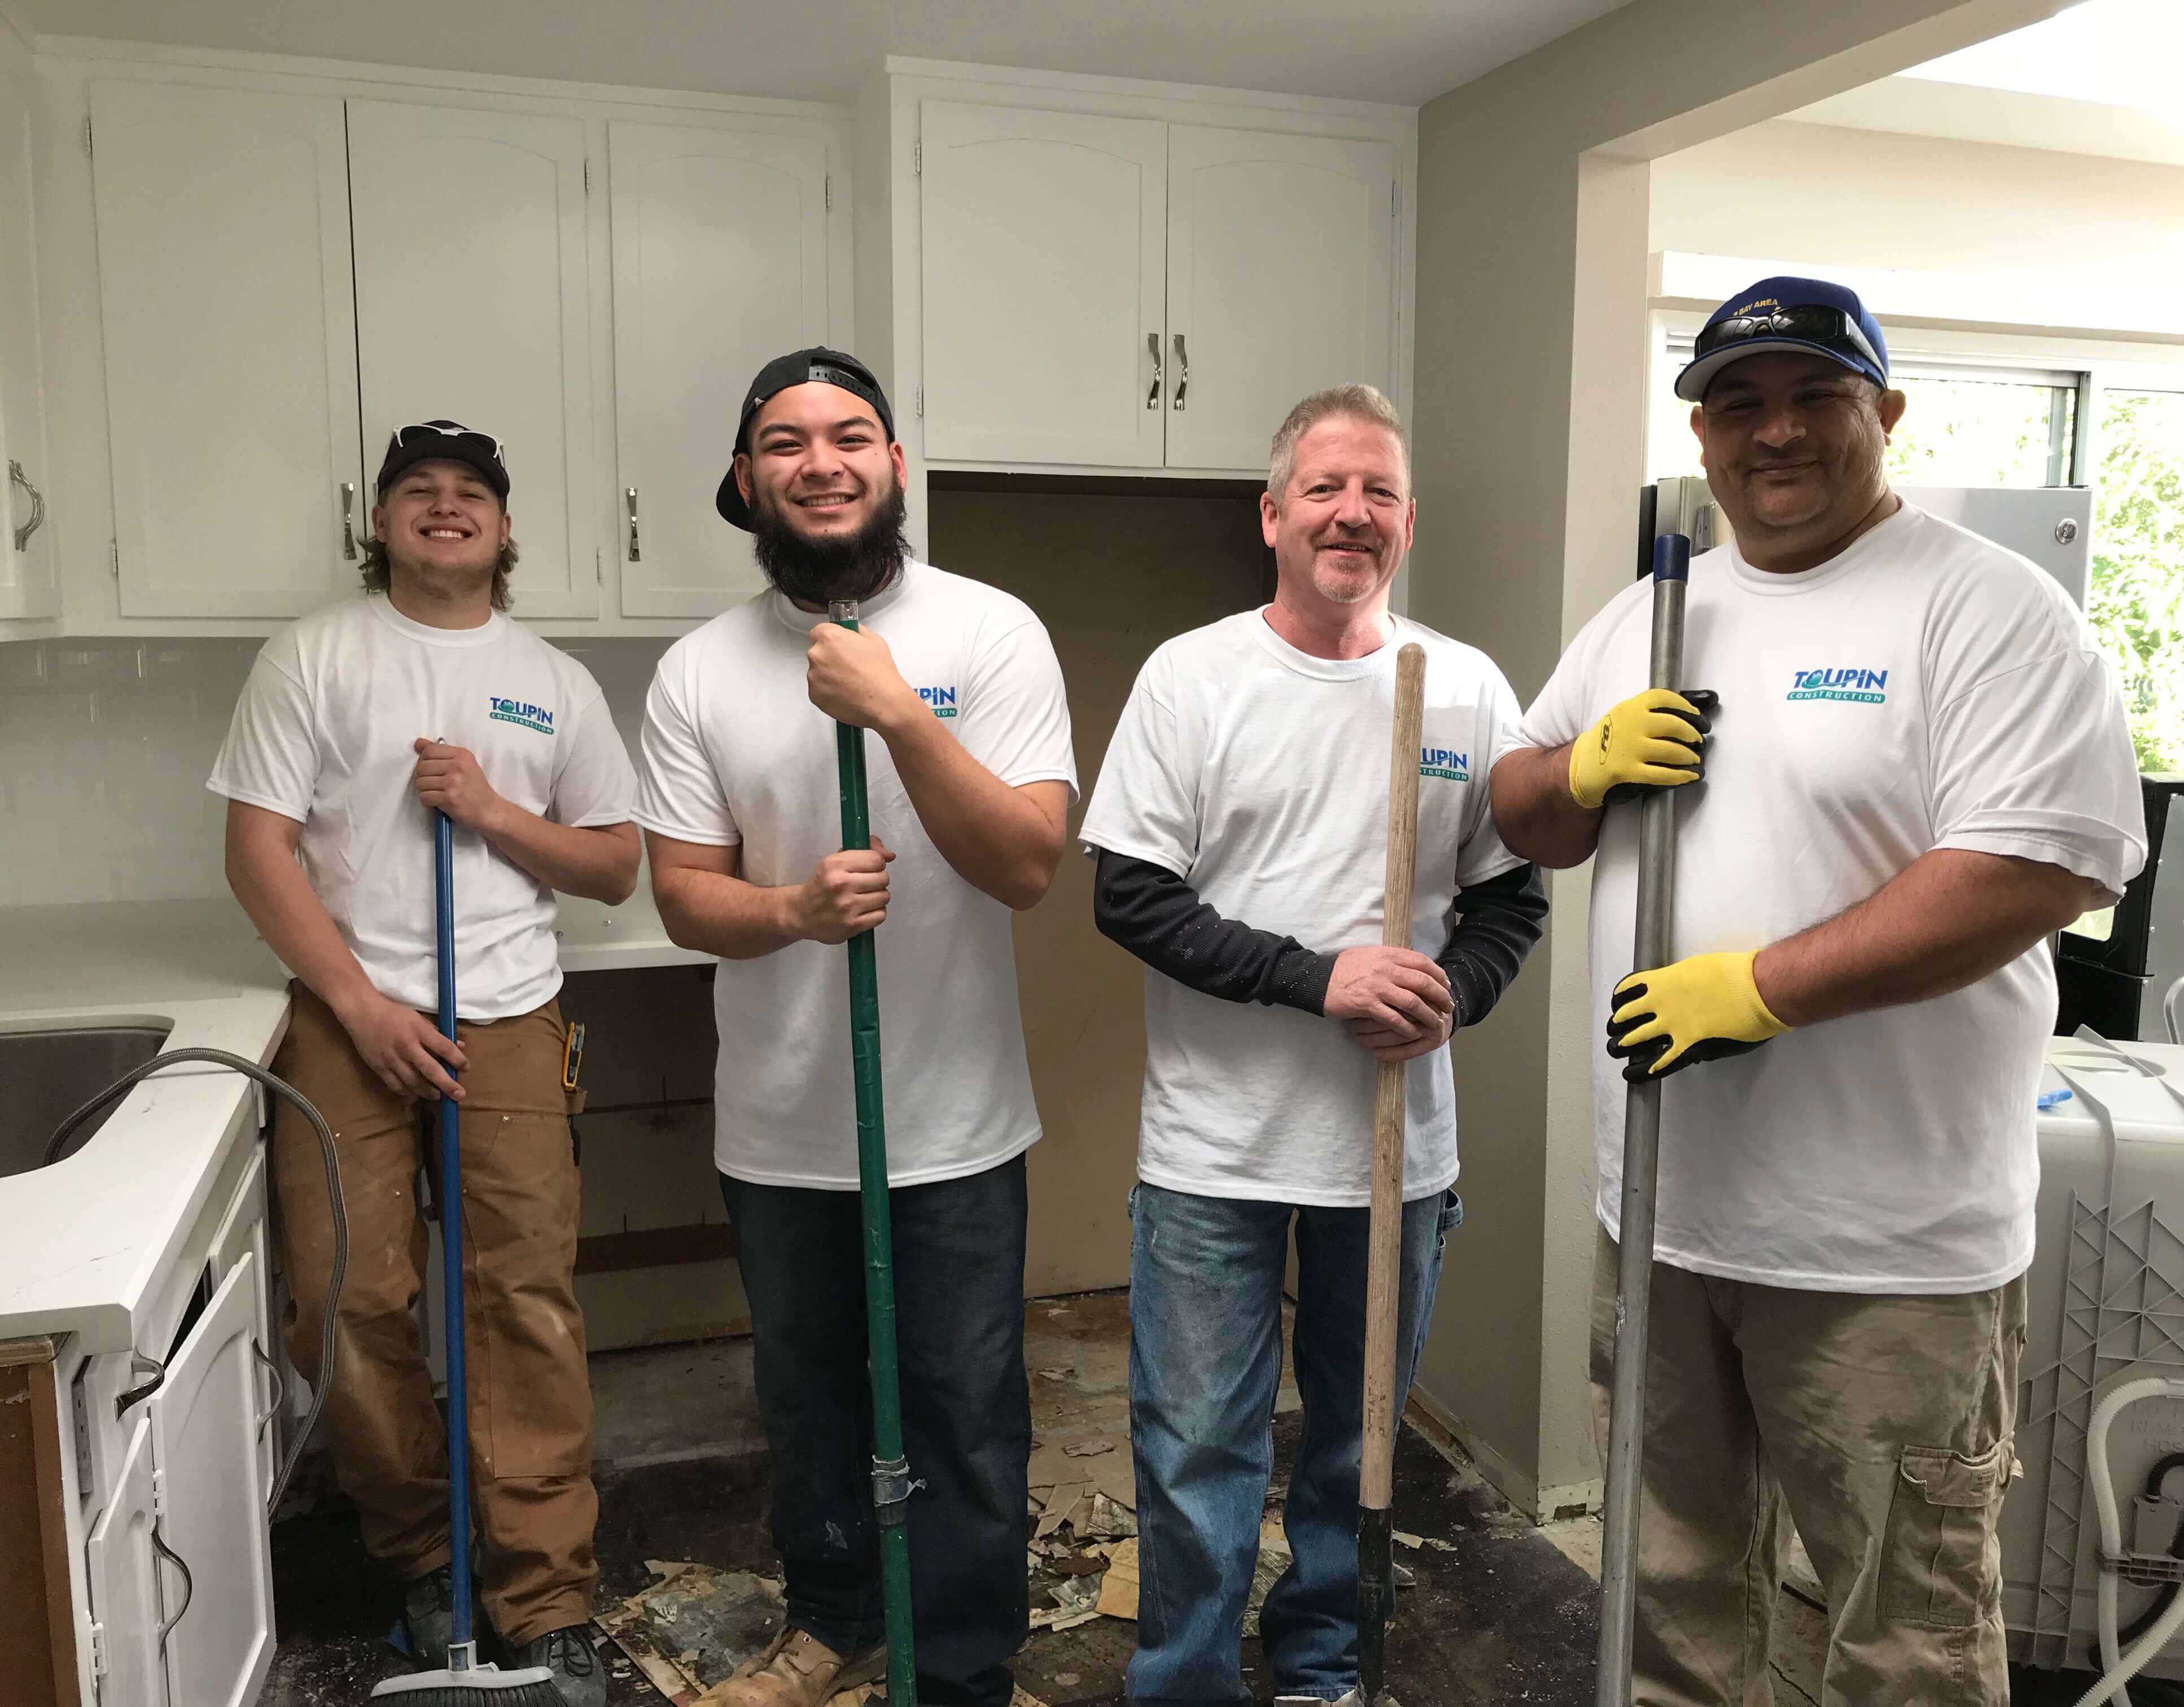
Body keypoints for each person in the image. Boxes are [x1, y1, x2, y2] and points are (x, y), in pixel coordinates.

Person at [1494, 277, 2148, 1706]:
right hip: (1661, 1214)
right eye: (1740, 403)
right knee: (1667, 1591)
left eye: (1814, 397)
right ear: (1702, 431)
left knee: (1898, 1630)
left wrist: (1763, 991)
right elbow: (1521, 813)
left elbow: (2037, 870)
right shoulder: (1646, 619)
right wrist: (1582, 767)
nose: (1774, 431)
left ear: (1884, 412)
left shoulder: (1988, 610)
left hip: (1886, 1253)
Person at [1082, 383, 1547, 1707]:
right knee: (1195, 1450)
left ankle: (1324, 1666)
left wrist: (1449, 988)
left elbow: (1512, 895)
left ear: (1410, 523)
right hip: (1213, 1155)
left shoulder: (1464, 686)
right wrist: (1318, 980)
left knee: (1355, 1451)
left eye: (1381, 493)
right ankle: (1182, 1683)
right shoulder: (1195, 674)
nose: (1355, 513)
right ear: (1274, 513)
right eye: (1328, 488)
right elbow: (1131, 895)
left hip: (1394, 1156)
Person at [636, 348, 1078, 1707]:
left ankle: (960, 1663)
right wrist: (792, 913)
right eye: (785, 441)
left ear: (896, 463)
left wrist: (897, 715)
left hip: (952, 1122)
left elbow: (1027, 862)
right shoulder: (698, 670)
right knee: (812, 1400)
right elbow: (681, 898)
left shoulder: (990, 633)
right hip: (782, 1126)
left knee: (962, 1406)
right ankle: (833, 1618)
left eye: (850, 435)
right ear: (744, 478)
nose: (819, 461)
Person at [209, 421, 640, 1707]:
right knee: (343, 1303)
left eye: (471, 496)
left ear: (506, 533)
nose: (444, 510)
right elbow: (257, 852)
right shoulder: (314, 658)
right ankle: (423, 1561)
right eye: (418, 493)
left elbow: (616, 865)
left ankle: (544, 1596)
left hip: (508, 1014)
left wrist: (494, 811)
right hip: (353, 1017)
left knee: (524, 1307)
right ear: (380, 522)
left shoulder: (552, 681)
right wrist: (360, 1006)